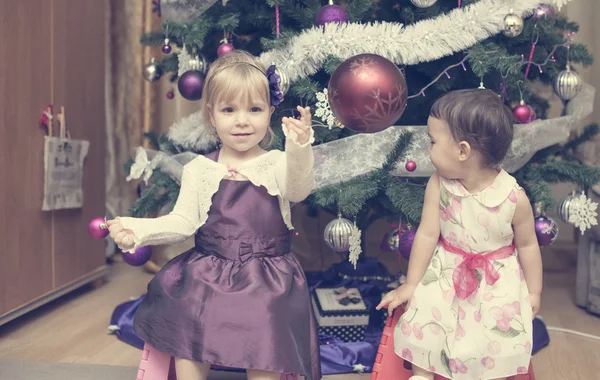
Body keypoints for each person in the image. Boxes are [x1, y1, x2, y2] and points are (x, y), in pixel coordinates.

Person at [107, 50, 321, 380]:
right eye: (229, 110)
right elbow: (183, 221)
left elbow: (298, 190)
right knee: (187, 310)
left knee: (266, 327)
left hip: (267, 275)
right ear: (211, 115)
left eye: (255, 109)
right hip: (211, 267)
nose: (242, 120)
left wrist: (299, 148)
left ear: (271, 111)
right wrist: (138, 230)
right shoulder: (200, 168)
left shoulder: (277, 162)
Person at [377, 89, 542, 380]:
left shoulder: (514, 198)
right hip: (446, 271)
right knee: (427, 319)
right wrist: (412, 284)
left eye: (433, 141)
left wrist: (534, 292)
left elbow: (528, 245)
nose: (428, 148)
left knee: (489, 338)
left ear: (462, 151)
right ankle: (422, 374)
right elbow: (428, 234)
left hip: (494, 283)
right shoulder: (439, 185)